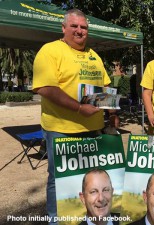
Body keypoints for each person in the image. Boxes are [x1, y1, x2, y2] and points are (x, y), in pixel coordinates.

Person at [32, 9, 117, 224]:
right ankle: (55, 220)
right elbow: (45, 87)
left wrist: (113, 113)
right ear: (63, 28)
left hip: (92, 130)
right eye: (75, 26)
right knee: (59, 180)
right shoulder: (50, 50)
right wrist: (79, 109)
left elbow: (105, 86)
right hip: (62, 129)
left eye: (84, 27)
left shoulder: (94, 55)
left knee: (91, 179)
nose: (80, 31)